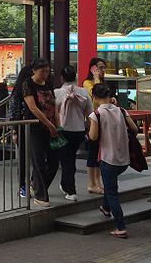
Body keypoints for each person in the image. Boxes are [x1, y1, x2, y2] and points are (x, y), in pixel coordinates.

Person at [88, 83, 139, 239]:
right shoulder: (122, 111)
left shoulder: (96, 115)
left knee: (112, 192)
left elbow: (93, 137)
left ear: (94, 98)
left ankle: (120, 226)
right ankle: (105, 208)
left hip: (108, 158)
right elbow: (135, 130)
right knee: (110, 185)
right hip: (124, 158)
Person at [21, 58, 59, 207]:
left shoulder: (48, 84)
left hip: (52, 128)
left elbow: (54, 106)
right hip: (35, 128)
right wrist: (49, 124)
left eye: (47, 71)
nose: (45, 74)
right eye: (42, 71)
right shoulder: (28, 84)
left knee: (54, 163)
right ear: (34, 71)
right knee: (38, 163)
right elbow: (33, 108)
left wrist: (57, 124)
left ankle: (35, 185)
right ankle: (41, 195)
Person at [55, 65, 92, 202]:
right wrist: (88, 129)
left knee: (66, 160)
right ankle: (67, 186)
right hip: (79, 131)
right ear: (75, 77)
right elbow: (89, 113)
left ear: (61, 78)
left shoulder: (57, 93)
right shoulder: (83, 92)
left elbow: (53, 112)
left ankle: (70, 189)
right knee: (70, 159)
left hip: (63, 130)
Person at [83, 57, 107, 194]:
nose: (103, 71)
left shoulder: (103, 83)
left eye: (104, 68)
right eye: (100, 68)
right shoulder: (87, 83)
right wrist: (96, 77)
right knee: (93, 153)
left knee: (100, 153)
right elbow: (96, 94)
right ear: (93, 69)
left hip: (103, 121)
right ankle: (91, 183)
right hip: (93, 121)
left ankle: (98, 182)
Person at [9, 65, 33, 198]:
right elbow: (13, 113)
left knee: (37, 158)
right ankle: (23, 186)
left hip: (35, 127)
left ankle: (33, 184)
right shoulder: (18, 92)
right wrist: (14, 131)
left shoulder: (37, 89)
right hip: (22, 127)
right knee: (23, 158)